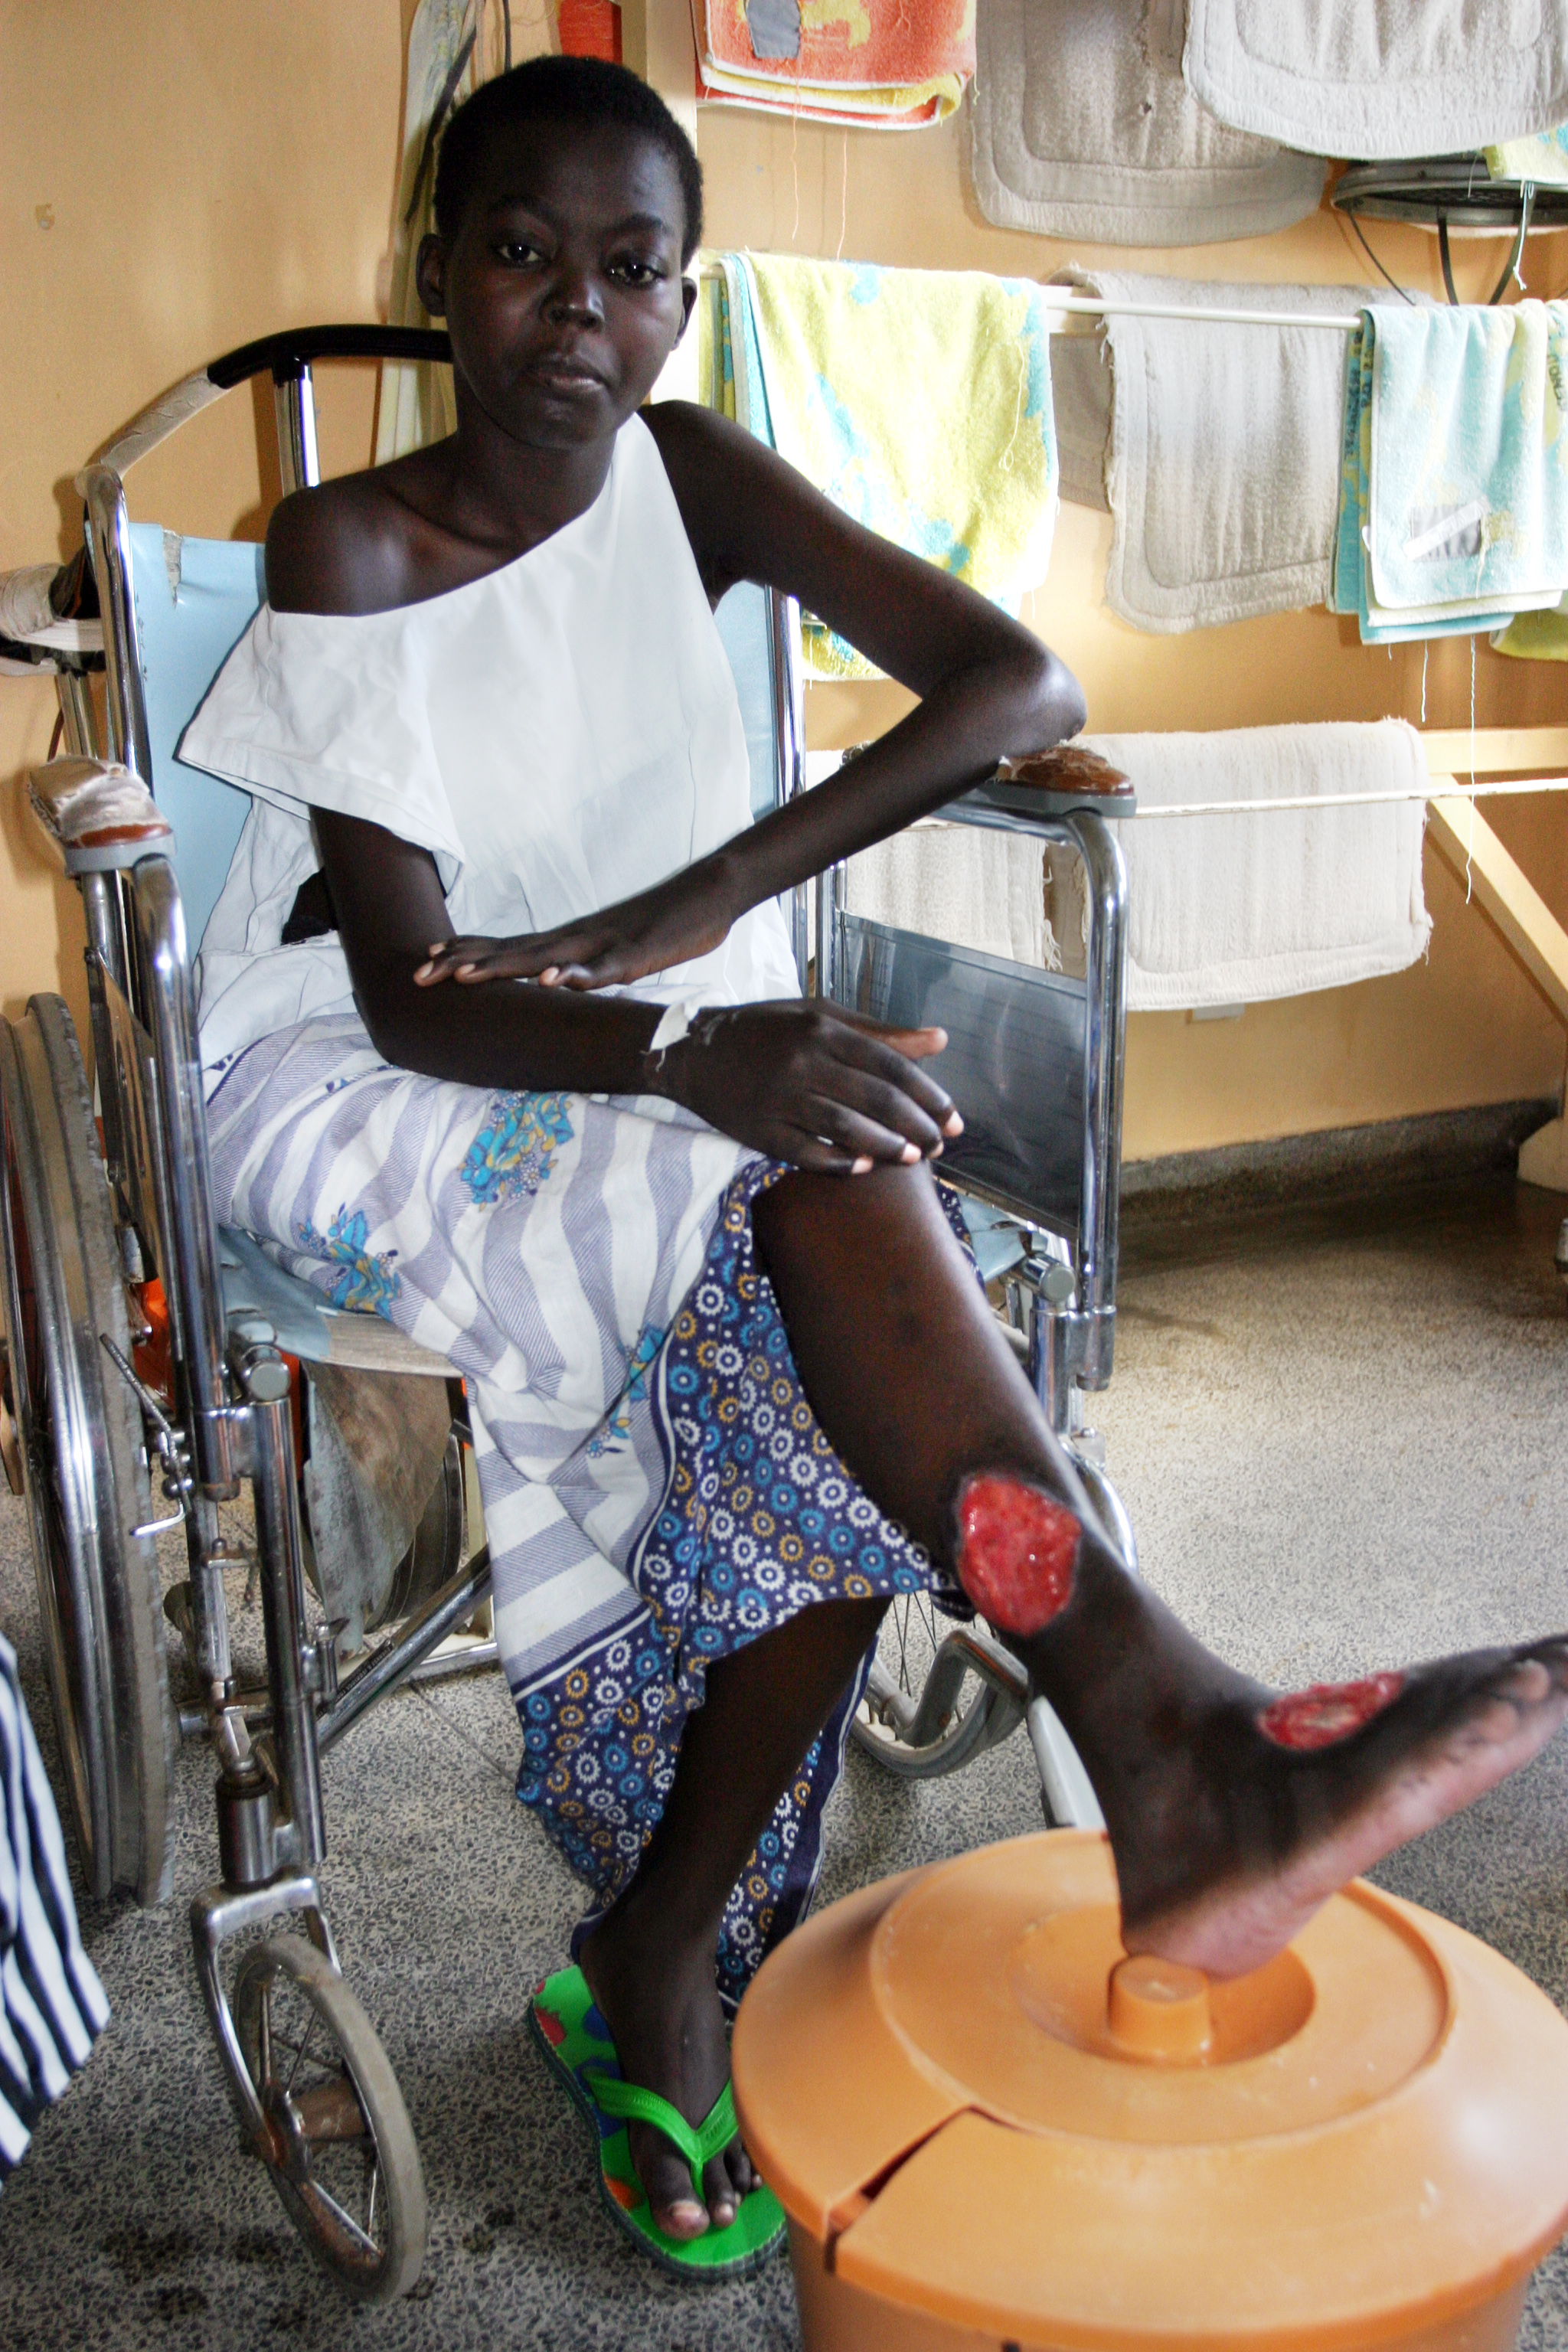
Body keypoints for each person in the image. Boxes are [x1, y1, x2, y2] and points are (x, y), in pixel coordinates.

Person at [181, 56, 1568, 2272]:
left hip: (641, 1035)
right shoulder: (349, 543)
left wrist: (704, 904)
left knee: (835, 1225)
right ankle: (1147, 1754)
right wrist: (676, 1030)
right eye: (521, 257)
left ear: (682, 301)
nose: (574, 318)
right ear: (436, 273)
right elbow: (420, 993)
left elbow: (1009, 679)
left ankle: (770, 1906)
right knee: (823, 1246)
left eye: (630, 273)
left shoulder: (698, 474)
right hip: (361, 1074)